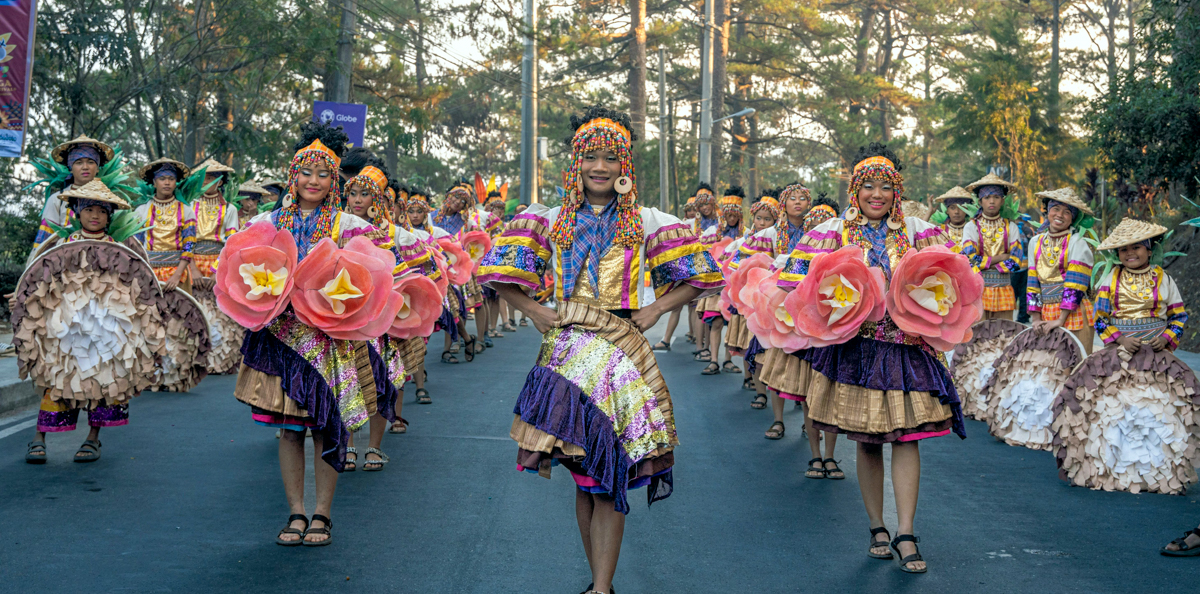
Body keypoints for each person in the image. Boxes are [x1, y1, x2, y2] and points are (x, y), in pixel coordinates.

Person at [477, 106, 723, 594]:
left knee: (608, 472)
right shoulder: (550, 220)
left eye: (612, 158)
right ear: (576, 162)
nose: (601, 167)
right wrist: (537, 311)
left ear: (625, 166)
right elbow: (494, 273)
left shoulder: (650, 221)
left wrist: (654, 312)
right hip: (566, 359)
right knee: (583, 474)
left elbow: (703, 275)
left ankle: (602, 588)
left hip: (622, 359)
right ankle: (599, 584)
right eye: (591, 156)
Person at [776, 143, 966, 573]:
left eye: (886, 186)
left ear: (896, 190)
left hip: (906, 350)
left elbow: (955, 277)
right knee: (866, 441)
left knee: (907, 437)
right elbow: (793, 280)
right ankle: (877, 526)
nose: (876, 194)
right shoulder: (833, 231)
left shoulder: (918, 230)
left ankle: (906, 531)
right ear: (855, 190)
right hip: (856, 352)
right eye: (868, 186)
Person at [234, 121, 399, 546]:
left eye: (324, 174)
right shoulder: (268, 221)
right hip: (284, 336)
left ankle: (322, 515)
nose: (314, 181)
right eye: (306, 172)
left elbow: (374, 269)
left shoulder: (348, 224)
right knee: (290, 428)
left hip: (330, 338)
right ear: (293, 175)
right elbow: (244, 266)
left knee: (327, 425)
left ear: (335, 180)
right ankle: (295, 512)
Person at [18, 180, 163, 463]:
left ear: (110, 216)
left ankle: (92, 438)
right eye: (88, 209)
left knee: (104, 379)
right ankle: (39, 436)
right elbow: (40, 280)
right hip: (67, 326)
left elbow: (144, 285)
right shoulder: (61, 244)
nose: (94, 215)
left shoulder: (125, 248)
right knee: (57, 378)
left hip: (109, 328)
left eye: (101, 211)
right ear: (76, 212)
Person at [1053, 217, 1197, 495]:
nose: (1129, 254)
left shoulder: (1164, 279)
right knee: (1117, 413)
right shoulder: (1111, 278)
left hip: (1157, 360)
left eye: (1136, 248)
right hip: (1120, 357)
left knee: (1160, 414)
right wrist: (1120, 339)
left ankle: (1159, 473)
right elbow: (1100, 318)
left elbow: (1178, 316)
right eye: (1123, 250)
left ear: (1149, 248)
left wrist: (1165, 339)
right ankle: (1116, 471)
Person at [741, 182, 815, 441]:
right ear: (783, 204)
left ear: (809, 203)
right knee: (775, 359)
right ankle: (778, 420)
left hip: (807, 303)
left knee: (809, 362)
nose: (798, 203)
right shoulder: (770, 233)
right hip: (777, 301)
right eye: (792, 198)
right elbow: (751, 262)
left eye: (802, 198)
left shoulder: (817, 232)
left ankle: (810, 422)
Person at [1028, 188, 1095, 353]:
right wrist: (1036, 319)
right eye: (1056, 209)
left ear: (1073, 218)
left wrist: (1060, 319)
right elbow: (1032, 280)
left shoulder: (1077, 242)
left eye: (1067, 212)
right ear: (1048, 211)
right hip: (1046, 312)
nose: (1060, 215)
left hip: (1073, 312)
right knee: (1048, 367)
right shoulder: (1035, 241)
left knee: (1075, 365)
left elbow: (1076, 282)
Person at [28, 136, 116, 260]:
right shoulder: (57, 199)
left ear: (97, 168)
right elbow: (46, 239)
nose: (85, 167)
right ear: (70, 167)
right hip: (63, 261)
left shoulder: (110, 199)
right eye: (79, 162)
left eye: (90, 162)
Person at [961, 173, 1024, 321]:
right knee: (978, 338)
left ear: (1002, 201)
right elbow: (969, 260)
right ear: (980, 201)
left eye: (996, 197)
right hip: (978, 290)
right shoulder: (971, 226)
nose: (992, 201)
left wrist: (985, 263)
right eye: (987, 197)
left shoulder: (1011, 227)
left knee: (1004, 337)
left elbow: (1016, 262)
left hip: (1004, 292)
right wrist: (1001, 257)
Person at [132, 157, 200, 293]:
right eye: (162, 179)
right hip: (148, 272)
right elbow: (136, 246)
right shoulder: (141, 211)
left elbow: (189, 245)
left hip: (178, 274)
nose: (167, 183)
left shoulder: (186, 211)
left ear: (176, 183)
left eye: (171, 179)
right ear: (154, 182)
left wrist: (177, 275)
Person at [698, 186, 745, 374]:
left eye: (734, 215)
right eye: (728, 215)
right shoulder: (710, 231)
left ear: (740, 216)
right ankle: (714, 360)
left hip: (734, 286)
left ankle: (727, 360)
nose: (731, 219)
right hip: (716, 283)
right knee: (716, 322)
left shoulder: (746, 234)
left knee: (730, 323)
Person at [190, 158, 239, 277]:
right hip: (192, 263)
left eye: (210, 178)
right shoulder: (190, 206)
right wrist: (193, 270)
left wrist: (217, 271)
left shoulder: (229, 209)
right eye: (203, 178)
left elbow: (231, 243)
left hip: (220, 261)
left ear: (220, 182)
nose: (205, 182)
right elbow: (185, 240)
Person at [929, 186, 975, 253]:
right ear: (947, 211)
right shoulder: (940, 231)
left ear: (966, 210)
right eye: (952, 208)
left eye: (961, 208)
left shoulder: (974, 230)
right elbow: (920, 235)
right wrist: (929, 212)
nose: (956, 212)